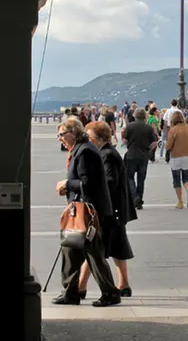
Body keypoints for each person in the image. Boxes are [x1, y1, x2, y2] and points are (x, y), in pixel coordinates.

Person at [52, 117, 121, 307]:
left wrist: (67, 184)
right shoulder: (80, 150)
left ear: (73, 133)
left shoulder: (85, 152)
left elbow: (88, 183)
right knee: (72, 250)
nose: (59, 139)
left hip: (89, 212)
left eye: (61, 134)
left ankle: (110, 293)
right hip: (81, 211)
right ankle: (70, 292)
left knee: (93, 254)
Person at [78, 121, 137, 299]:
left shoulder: (106, 155)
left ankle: (80, 287)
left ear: (98, 138)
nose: (88, 141)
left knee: (94, 247)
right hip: (116, 210)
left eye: (90, 137)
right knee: (117, 247)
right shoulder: (108, 152)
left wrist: (95, 195)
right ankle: (124, 284)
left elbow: (109, 182)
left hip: (109, 210)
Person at [122, 108, 157, 210]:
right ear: (145, 117)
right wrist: (148, 151)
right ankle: (139, 200)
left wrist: (128, 144)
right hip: (144, 156)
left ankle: (135, 196)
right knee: (141, 179)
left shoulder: (130, 126)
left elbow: (124, 140)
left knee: (129, 177)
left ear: (135, 116)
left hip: (131, 155)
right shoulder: (149, 128)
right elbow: (154, 143)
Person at [165, 110, 188, 209]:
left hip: (176, 157)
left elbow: (169, 145)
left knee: (176, 179)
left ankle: (180, 202)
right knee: (186, 178)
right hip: (187, 155)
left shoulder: (173, 130)